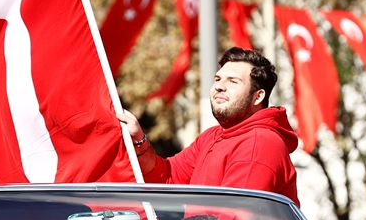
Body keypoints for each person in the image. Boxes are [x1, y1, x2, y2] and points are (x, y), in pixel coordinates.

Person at [118, 47, 299, 205]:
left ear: (258, 97)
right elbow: (167, 179)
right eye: (218, 79)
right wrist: (138, 139)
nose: (219, 86)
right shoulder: (212, 136)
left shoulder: (260, 142)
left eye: (233, 81)